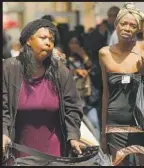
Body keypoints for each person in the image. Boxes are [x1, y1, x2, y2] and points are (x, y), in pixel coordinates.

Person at [2, 19, 86, 159]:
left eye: (51, 40)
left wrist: (73, 136)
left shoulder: (60, 71)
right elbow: (3, 107)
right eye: (43, 38)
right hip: (18, 150)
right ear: (29, 41)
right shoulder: (10, 68)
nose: (48, 42)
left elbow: (73, 107)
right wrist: (3, 133)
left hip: (54, 151)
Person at [99, 3, 144, 166]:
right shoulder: (104, 53)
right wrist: (102, 132)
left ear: (138, 29)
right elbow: (106, 93)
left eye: (133, 25)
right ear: (116, 25)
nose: (127, 28)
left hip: (143, 121)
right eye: (124, 23)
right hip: (116, 123)